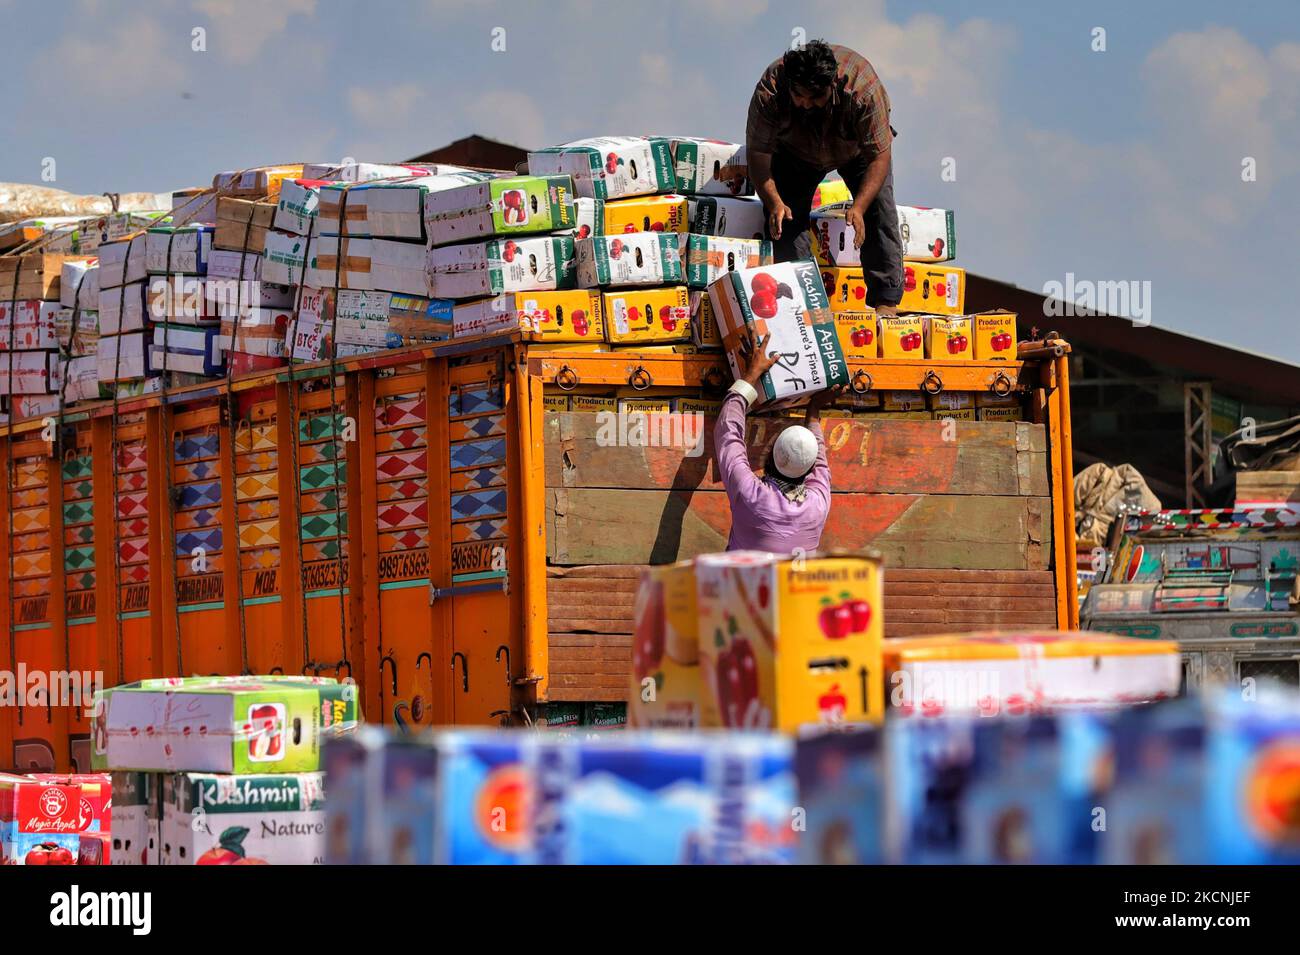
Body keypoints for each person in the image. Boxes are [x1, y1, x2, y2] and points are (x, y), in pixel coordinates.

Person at [746, 39, 903, 315]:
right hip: (795, 154)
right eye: (799, 97)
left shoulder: (863, 90)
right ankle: (803, 305)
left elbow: (879, 157)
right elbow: (758, 153)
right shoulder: (770, 90)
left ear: (832, 86)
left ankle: (886, 303)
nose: (806, 105)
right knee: (784, 223)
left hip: (856, 152)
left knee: (879, 212)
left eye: (814, 98)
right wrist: (774, 201)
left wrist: (859, 207)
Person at [715, 326, 841, 553]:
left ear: (771, 453)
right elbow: (820, 461)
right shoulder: (818, 504)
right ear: (809, 469)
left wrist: (751, 375)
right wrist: (813, 409)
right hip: (793, 589)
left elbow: (728, 433)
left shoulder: (752, 495)